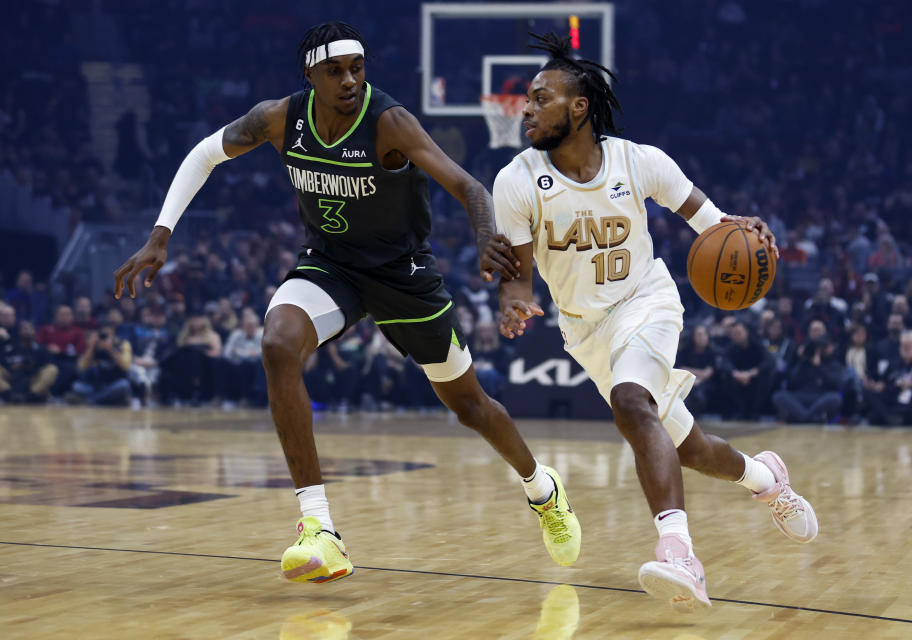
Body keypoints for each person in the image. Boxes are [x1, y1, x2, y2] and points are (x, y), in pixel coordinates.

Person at [112, 22, 580, 585]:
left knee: (470, 407)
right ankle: (320, 530)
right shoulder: (279, 118)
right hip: (331, 264)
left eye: (357, 68)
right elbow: (204, 155)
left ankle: (542, 490)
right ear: (308, 76)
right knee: (278, 343)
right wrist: (162, 233)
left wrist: (485, 236)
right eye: (335, 71)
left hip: (402, 274)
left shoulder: (389, 121)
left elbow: (470, 188)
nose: (350, 80)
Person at [494, 33, 817, 613]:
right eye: (528, 98)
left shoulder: (640, 162)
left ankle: (679, 554)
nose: (526, 107)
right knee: (688, 447)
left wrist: (749, 233)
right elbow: (518, 276)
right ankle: (766, 480)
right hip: (584, 330)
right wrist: (513, 300)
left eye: (541, 98)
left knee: (630, 402)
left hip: (647, 301)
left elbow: (716, 227)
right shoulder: (516, 181)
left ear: (579, 108)